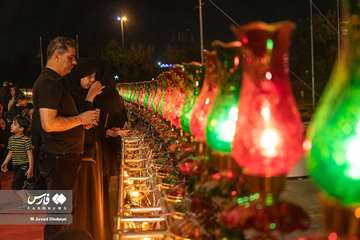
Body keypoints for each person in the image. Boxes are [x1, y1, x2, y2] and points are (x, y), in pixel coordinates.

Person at [31, 36, 99, 240]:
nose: (75, 62)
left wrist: (81, 120)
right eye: (71, 57)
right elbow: (49, 123)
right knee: (58, 220)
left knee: (62, 217)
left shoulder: (56, 82)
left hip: (65, 159)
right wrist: (80, 119)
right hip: (59, 160)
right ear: (57, 56)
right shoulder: (48, 82)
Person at [1, 116, 33, 189]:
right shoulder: (11, 139)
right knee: (19, 184)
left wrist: (31, 168)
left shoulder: (26, 140)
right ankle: (25, 189)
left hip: (23, 166)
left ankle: (23, 196)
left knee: (15, 186)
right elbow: (10, 153)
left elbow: (30, 155)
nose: (11, 125)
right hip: (15, 165)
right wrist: (5, 162)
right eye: (12, 123)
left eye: (14, 124)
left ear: (21, 129)